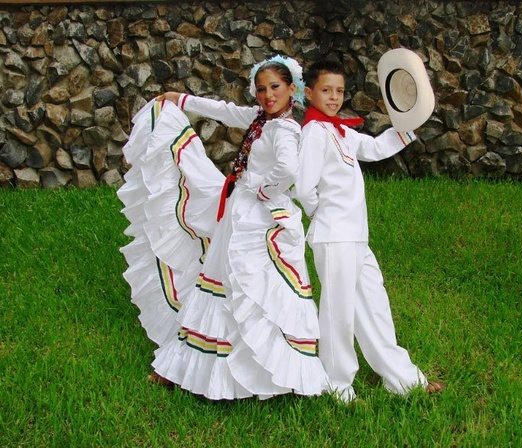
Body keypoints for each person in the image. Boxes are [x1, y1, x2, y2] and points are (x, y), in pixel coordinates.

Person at [118, 55, 328, 400]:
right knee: (221, 283)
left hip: (258, 217)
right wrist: (182, 100)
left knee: (249, 289)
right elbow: (226, 110)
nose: (267, 95)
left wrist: (261, 189)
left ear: (293, 89)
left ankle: (261, 371)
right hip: (242, 211)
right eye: (261, 89)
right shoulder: (262, 119)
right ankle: (187, 367)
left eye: (275, 87)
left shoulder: (285, 128)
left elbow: (288, 169)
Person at [294, 58, 443, 403]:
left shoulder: (340, 131)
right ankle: (337, 384)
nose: (334, 97)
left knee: (375, 306)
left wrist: (408, 124)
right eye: (326, 90)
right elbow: (303, 187)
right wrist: (324, 215)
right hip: (335, 236)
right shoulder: (314, 133)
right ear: (309, 92)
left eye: (339, 91)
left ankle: (402, 378)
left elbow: (375, 148)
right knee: (338, 312)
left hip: (356, 236)